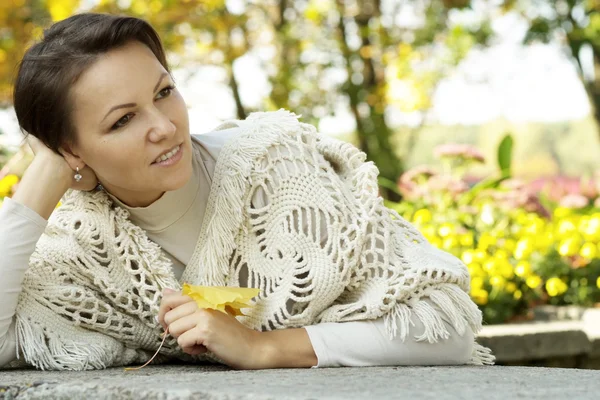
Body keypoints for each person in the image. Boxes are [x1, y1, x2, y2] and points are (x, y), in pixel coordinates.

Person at [0, 13, 493, 371]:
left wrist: (264, 348)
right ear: (72, 150)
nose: (164, 128)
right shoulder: (79, 245)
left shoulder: (274, 167)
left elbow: (443, 324)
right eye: (124, 119)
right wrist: (36, 192)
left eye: (164, 92)